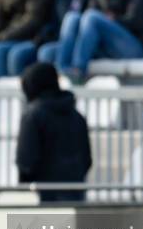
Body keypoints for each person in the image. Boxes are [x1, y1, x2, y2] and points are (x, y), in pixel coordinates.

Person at [57, 0, 143, 82]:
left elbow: (139, 20)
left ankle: (79, 69)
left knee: (92, 17)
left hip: (135, 47)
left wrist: (114, 20)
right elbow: (88, 18)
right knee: (72, 17)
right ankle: (62, 68)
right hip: (108, 47)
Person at [16, 63, 92, 202]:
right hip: (76, 196)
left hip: (42, 199)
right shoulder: (78, 116)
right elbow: (87, 160)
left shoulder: (33, 116)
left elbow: (26, 162)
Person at [36, 0, 95, 66]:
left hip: (84, 42)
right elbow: (52, 22)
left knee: (72, 17)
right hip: (62, 41)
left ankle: (63, 68)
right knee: (45, 52)